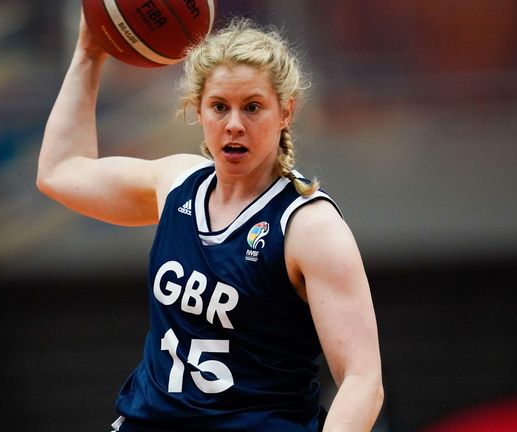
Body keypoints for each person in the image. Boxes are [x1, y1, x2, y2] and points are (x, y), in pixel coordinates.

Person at [37, 11, 383, 432]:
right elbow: (60, 170)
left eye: (252, 107)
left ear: (285, 112)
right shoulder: (175, 185)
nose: (234, 124)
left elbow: (363, 381)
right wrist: (89, 53)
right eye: (220, 106)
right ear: (198, 111)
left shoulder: (309, 227)